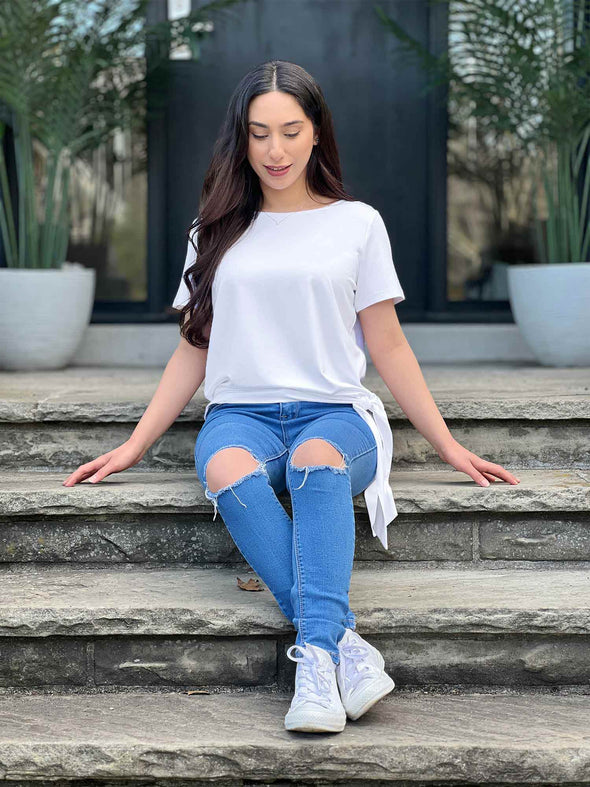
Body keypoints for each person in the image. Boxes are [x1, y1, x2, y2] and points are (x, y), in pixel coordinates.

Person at [62, 59, 520, 734]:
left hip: (335, 414)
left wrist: (447, 443)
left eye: (289, 131)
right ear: (240, 140)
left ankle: (313, 661)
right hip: (239, 415)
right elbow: (194, 348)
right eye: (258, 133)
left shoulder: (357, 224)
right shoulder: (213, 229)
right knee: (224, 468)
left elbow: (388, 346)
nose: (274, 150)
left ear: (315, 133)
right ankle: (341, 645)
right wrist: (135, 443)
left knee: (315, 456)